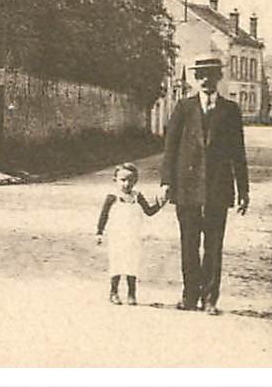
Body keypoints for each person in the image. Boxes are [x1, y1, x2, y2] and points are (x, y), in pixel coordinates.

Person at [158, 55, 248, 315]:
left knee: (214, 245)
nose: (206, 80)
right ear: (195, 79)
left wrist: (243, 190)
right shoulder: (183, 108)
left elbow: (238, 153)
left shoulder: (230, 111)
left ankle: (210, 299)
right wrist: (166, 182)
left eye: (211, 74)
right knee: (189, 243)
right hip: (186, 187)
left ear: (219, 77)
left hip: (218, 187)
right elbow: (170, 148)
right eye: (201, 75)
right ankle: (189, 296)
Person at [95, 162, 165, 305]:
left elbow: (149, 211)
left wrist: (159, 204)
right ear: (115, 180)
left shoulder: (137, 196)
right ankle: (114, 292)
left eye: (131, 180)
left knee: (132, 263)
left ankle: (131, 294)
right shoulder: (112, 197)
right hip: (117, 236)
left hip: (133, 236)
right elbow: (104, 216)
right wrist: (99, 232)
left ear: (135, 181)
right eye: (123, 180)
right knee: (117, 262)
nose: (126, 184)